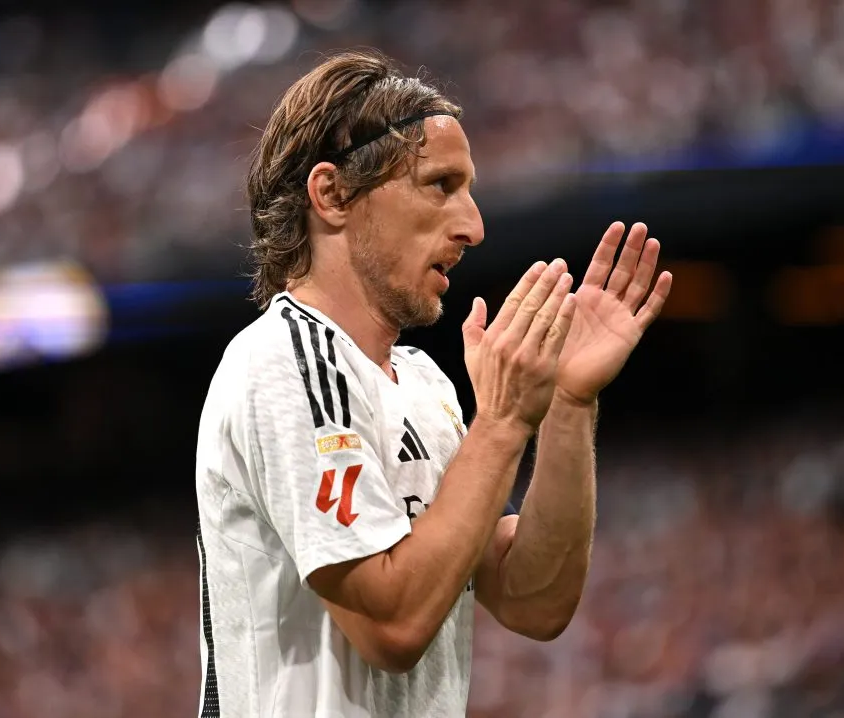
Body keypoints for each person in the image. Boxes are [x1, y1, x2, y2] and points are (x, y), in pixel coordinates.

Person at [194, 49, 672, 718]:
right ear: (331, 195)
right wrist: (502, 422)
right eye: (440, 185)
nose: (473, 225)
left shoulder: (421, 385)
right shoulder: (283, 361)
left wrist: (567, 402)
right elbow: (392, 625)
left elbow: (535, 600)